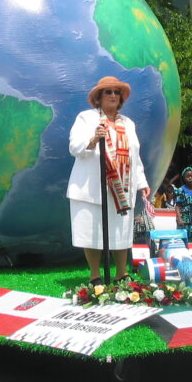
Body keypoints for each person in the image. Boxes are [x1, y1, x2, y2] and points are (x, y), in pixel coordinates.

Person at [67, 76, 150, 283]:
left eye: (116, 92)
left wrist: (142, 182)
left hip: (121, 188)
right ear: (98, 97)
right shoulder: (86, 118)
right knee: (91, 231)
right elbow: (74, 147)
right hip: (91, 186)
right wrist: (94, 139)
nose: (113, 96)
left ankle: (122, 273)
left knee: (121, 231)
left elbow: (135, 156)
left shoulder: (128, 123)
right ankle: (95, 275)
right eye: (108, 92)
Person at [174, 167, 192, 243]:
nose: (190, 178)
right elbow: (177, 206)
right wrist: (179, 218)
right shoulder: (180, 190)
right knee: (184, 241)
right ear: (184, 178)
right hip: (185, 219)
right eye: (187, 176)